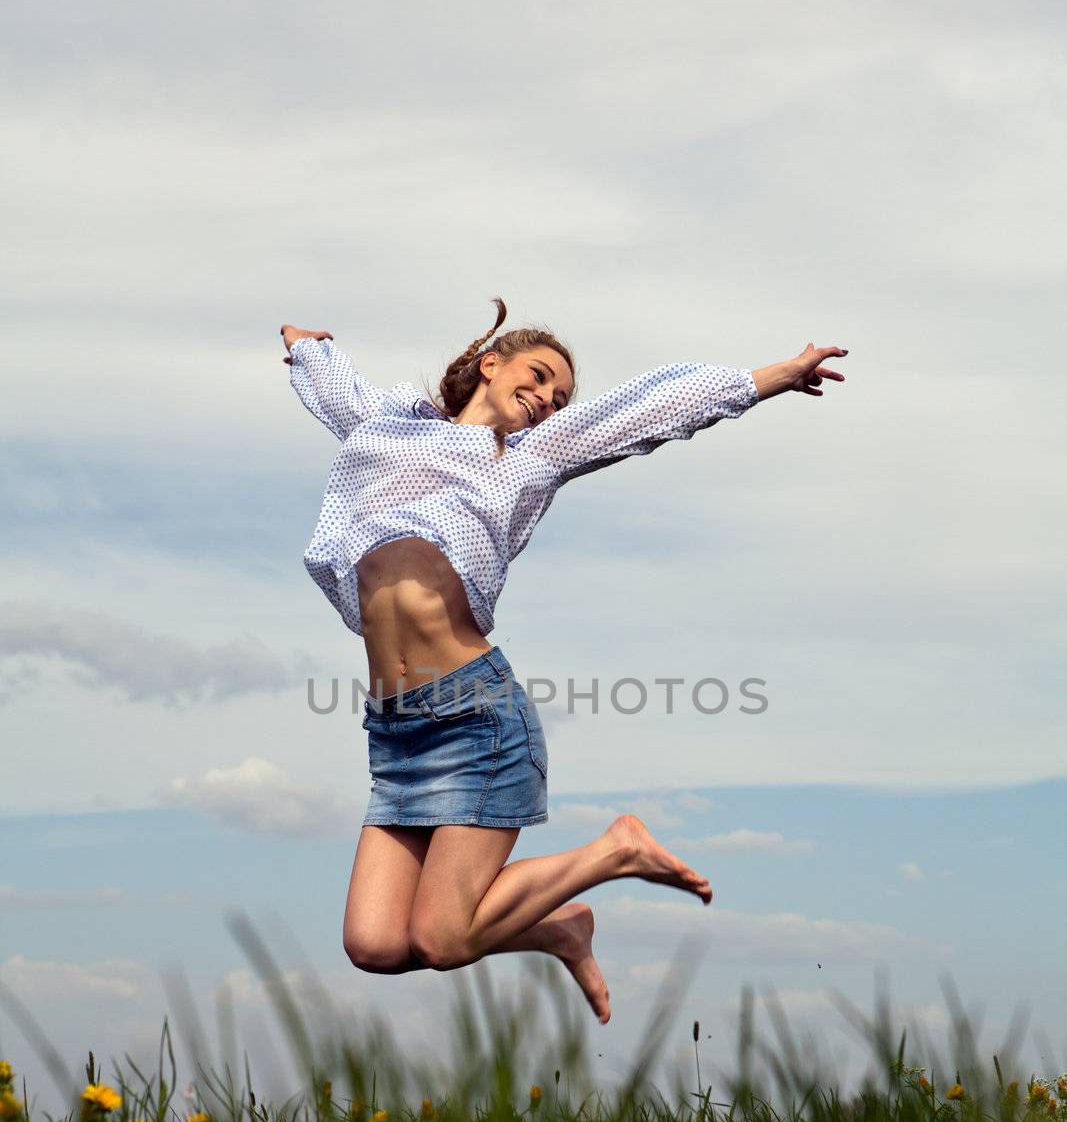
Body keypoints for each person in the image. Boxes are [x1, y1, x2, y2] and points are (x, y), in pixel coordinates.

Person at [281, 300, 847, 1023]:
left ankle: (613, 851)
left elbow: (650, 410)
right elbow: (334, 386)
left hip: (473, 718)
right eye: (540, 375)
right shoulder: (384, 432)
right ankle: (557, 927)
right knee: (376, 944)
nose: (548, 398)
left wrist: (775, 375)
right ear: (491, 364)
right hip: (394, 730)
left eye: (559, 395)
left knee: (444, 937)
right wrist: (301, 343)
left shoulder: (528, 458)